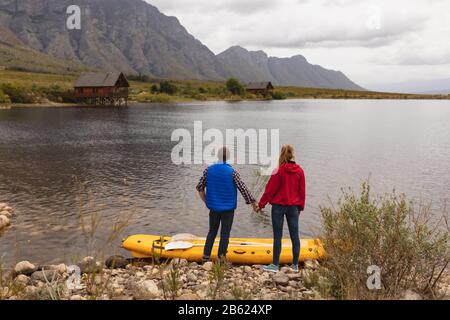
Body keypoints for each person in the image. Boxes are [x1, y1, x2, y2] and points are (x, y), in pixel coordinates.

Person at [196, 146, 259, 262]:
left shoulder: (208, 170)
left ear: (217, 156)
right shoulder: (232, 172)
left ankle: (206, 256)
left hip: (213, 208)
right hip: (228, 209)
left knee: (212, 231)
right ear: (228, 157)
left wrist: (206, 201)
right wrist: (253, 202)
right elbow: (243, 188)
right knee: (225, 234)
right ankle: (221, 258)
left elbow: (199, 187)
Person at [258, 145, 306, 273]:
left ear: (282, 154)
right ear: (292, 155)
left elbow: (269, 190)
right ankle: (295, 265)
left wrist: (261, 205)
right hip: (293, 208)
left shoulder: (278, 170)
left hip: (278, 208)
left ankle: (275, 265)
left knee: (277, 236)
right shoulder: (300, 171)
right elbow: (302, 192)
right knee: (294, 236)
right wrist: (300, 207)